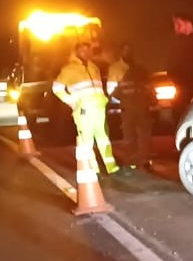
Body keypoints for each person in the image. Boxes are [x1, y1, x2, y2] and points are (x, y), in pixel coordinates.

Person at [53, 33, 120, 176]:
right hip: (83, 110)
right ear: (77, 52)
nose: (87, 52)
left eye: (88, 50)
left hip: (98, 109)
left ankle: (111, 166)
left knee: (103, 138)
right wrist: (71, 102)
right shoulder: (69, 69)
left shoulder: (93, 66)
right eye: (83, 50)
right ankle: (92, 169)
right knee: (87, 139)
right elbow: (57, 88)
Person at [107, 42, 154, 169]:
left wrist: (152, 103)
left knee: (138, 135)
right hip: (131, 108)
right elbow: (112, 92)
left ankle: (138, 160)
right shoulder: (116, 69)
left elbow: (149, 88)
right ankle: (137, 160)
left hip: (135, 108)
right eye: (126, 50)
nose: (128, 53)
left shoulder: (136, 70)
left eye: (130, 50)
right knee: (134, 135)